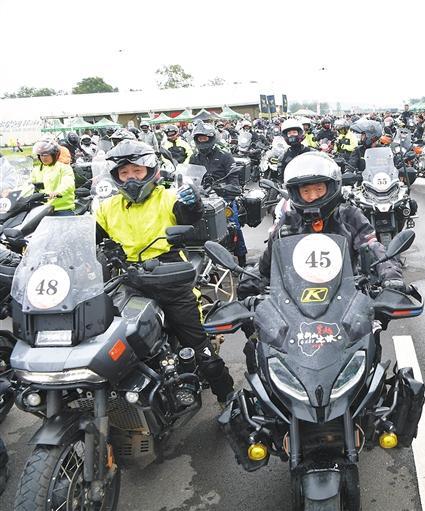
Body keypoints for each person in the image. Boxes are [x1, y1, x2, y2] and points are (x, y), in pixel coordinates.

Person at [99, 140, 234, 404]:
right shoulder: (107, 207)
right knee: (113, 338)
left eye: (137, 171)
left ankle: (226, 395)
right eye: (124, 173)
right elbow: (89, 235)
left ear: (150, 171)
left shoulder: (168, 197)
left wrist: (193, 201)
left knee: (198, 344)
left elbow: (189, 215)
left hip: (169, 274)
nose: (131, 179)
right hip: (127, 278)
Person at [243, 152, 404, 294]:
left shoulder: (350, 216)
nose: (313, 196)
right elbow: (268, 261)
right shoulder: (288, 221)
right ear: (296, 193)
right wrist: (252, 278)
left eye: (319, 189)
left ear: (332, 187)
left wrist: (390, 273)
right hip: (293, 300)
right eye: (306, 191)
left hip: (347, 294)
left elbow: (371, 247)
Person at [189, 123, 248, 265]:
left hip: (223, 199)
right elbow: (189, 178)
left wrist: (225, 188)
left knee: (234, 226)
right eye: (199, 138)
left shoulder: (225, 156)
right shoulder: (194, 158)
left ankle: (242, 261)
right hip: (202, 198)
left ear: (211, 138)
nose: (202, 141)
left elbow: (234, 183)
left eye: (205, 138)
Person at [30, 139, 76, 216]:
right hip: (41, 208)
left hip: (61, 208)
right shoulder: (37, 169)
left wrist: (57, 192)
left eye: (46, 154)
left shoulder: (64, 168)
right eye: (41, 155)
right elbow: (29, 184)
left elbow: (68, 182)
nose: (43, 158)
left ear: (54, 154)